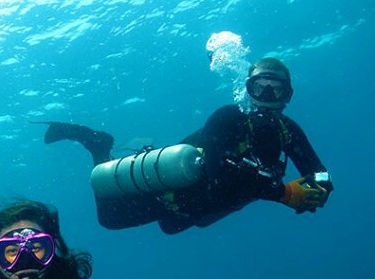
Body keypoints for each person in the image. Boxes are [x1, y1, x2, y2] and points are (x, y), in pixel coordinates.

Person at [38, 56, 334, 234]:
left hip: (195, 211)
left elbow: (319, 171)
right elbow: (221, 177)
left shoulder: (288, 131)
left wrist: (319, 190)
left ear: (288, 94)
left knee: (169, 228)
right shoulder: (228, 118)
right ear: (248, 89)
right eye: (260, 86)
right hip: (173, 195)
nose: (267, 93)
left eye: (275, 88)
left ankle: (102, 147)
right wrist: (284, 193)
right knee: (109, 220)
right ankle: (98, 145)